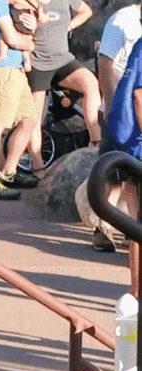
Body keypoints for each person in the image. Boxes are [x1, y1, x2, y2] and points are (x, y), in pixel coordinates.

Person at [21, 0, 98, 177]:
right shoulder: (27, 2)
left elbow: (86, 11)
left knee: (90, 83)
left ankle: (95, 142)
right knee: (35, 118)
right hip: (38, 63)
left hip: (63, 59)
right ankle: (38, 166)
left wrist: (69, 26)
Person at [0, 0, 41, 199]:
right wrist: (30, 42)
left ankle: (8, 172)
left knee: (29, 120)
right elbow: (11, 38)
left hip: (15, 68)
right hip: (2, 70)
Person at [95, 0, 142, 250]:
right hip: (122, 107)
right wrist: (111, 105)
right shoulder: (122, 21)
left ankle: (130, 229)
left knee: (131, 177)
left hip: (132, 105)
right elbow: (105, 61)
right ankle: (104, 228)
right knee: (114, 174)